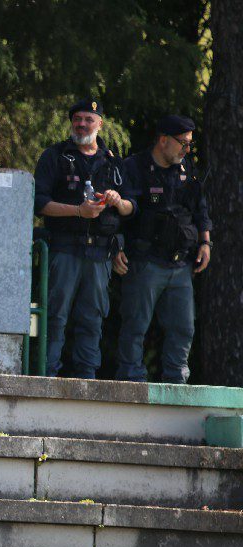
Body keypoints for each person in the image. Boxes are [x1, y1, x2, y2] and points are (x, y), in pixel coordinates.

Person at [33, 98, 136, 378]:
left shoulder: (113, 164)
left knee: (92, 319)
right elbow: (38, 202)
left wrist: (117, 200)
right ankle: (47, 374)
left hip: (100, 254)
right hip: (64, 249)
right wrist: (78, 211)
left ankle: (87, 378)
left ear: (100, 124)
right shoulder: (54, 156)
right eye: (77, 119)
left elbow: (131, 207)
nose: (82, 124)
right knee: (55, 316)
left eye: (88, 119)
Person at [114, 115, 213, 384]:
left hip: (181, 264)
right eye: (182, 143)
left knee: (183, 328)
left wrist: (205, 242)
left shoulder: (187, 170)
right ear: (163, 140)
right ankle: (131, 378)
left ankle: (176, 381)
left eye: (190, 144)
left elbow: (200, 209)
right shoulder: (134, 167)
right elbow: (119, 215)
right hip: (145, 260)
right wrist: (117, 247)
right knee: (135, 325)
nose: (186, 149)